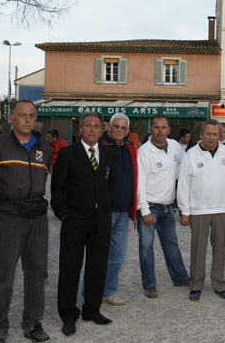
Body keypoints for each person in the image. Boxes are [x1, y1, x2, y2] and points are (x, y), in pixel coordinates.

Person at [0, 100, 52, 343]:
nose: (28, 120)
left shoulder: (44, 146)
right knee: (3, 275)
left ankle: (32, 324)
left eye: (31, 115)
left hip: (37, 218)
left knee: (37, 273)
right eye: (22, 115)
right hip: (7, 218)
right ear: (11, 118)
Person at [51, 112, 117, 336]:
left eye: (96, 126)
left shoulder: (109, 154)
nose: (91, 130)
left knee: (97, 268)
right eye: (87, 126)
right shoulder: (68, 154)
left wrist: (104, 207)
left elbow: (112, 185)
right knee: (70, 268)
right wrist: (63, 214)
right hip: (75, 221)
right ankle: (69, 315)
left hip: (100, 221)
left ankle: (92, 309)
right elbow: (57, 188)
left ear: (102, 130)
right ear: (80, 129)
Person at [177, 119, 225, 301]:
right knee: (198, 249)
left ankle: (219, 283)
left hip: (221, 208)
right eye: (208, 133)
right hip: (198, 209)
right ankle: (196, 285)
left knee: (220, 248)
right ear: (201, 134)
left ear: (221, 136)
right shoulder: (191, 155)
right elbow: (184, 184)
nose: (211, 138)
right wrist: (184, 211)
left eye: (215, 134)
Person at [136, 115, 189, 299]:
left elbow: (185, 162)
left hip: (167, 206)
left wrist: (176, 174)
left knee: (172, 244)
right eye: (156, 127)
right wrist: (144, 210)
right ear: (151, 129)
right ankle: (149, 284)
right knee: (146, 247)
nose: (160, 131)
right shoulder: (144, 152)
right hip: (150, 206)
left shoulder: (174, 146)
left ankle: (180, 277)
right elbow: (139, 183)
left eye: (163, 127)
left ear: (168, 129)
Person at [97, 113, 138, 306]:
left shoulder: (130, 149)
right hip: (103, 211)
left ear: (128, 131)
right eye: (116, 126)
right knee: (98, 255)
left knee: (117, 256)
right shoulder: (98, 146)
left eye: (123, 128)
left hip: (122, 212)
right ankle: (91, 292)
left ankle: (108, 290)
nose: (119, 130)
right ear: (108, 127)